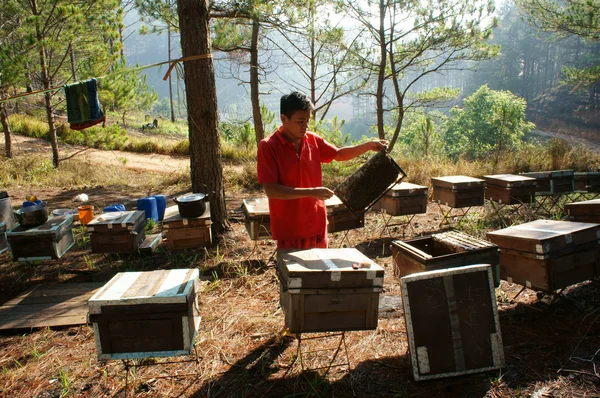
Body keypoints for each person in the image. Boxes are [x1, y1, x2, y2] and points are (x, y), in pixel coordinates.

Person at [257, 91, 387, 250]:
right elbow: (272, 191)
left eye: (308, 121)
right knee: (294, 274)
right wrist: (312, 192)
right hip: (290, 229)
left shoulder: (312, 139)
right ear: (284, 118)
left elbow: (338, 154)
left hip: (317, 223)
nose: (305, 125)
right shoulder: (268, 146)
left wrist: (367, 145)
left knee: (320, 271)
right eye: (300, 121)